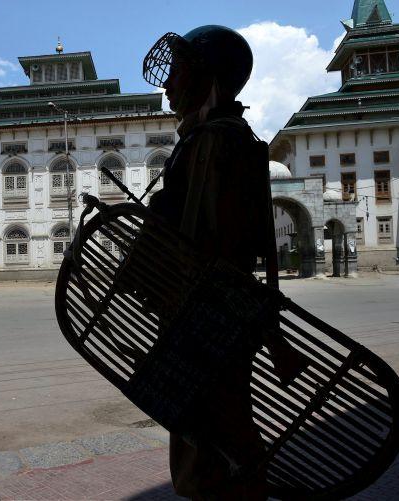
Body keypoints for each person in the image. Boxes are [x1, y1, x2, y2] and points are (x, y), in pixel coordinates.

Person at [143, 26, 267, 500]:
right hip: (207, 318)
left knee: (212, 449)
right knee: (209, 439)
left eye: (178, 72)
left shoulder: (216, 141)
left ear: (207, 78)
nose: (168, 84)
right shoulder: (215, 137)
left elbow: (202, 243)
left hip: (206, 320)